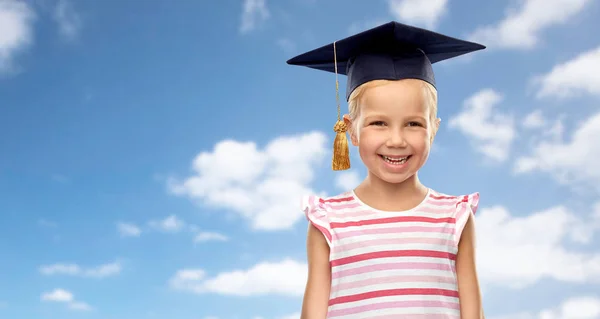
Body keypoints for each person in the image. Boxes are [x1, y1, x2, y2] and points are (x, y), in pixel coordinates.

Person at [287, 21, 486, 318]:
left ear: (434, 130)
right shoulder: (327, 221)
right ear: (351, 130)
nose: (396, 140)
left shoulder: (455, 216)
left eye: (414, 123)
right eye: (379, 123)